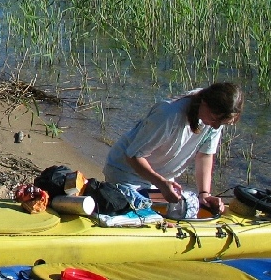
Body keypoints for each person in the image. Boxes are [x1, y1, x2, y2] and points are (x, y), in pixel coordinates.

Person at [103, 82, 244, 215]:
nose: (215, 126)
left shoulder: (215, 118)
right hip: (126, 173)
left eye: (224, 123)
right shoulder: (169, 114)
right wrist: (161, 183)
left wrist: (204, 194)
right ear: (204, 103)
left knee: (182, 209)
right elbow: (133, 155)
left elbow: (205, 156)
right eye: (215, 119)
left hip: (161, 180)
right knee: (141, 216)